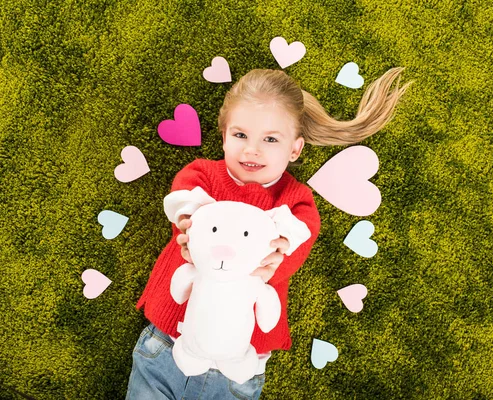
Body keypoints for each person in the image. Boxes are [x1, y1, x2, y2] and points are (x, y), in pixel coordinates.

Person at [126, 67, 413, 399]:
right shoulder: (200, 176)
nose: (252, 150)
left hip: (240, 363)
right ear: (223, 136)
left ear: (295, 149)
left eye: (271, 139)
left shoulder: (297, 205)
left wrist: (276, 261)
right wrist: (190, 228)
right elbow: (185, 206)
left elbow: (289, 253)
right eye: (240, 135)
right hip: (168, 341)